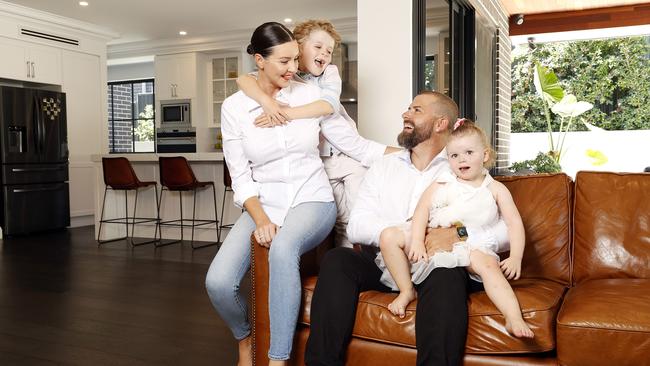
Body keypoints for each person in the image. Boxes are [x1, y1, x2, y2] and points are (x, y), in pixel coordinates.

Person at [205, 22, 386, 366]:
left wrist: (408, 154)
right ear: (259, 60)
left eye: (294, 60)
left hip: (312, 197)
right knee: (218, 281)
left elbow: (354, 145)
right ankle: (244, 338)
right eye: (284, 62)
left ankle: (277, 359)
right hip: (264, 202)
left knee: (284, 248)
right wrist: (260, 219)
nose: (293, 69)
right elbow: (240, 175)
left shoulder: (308, 95)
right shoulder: (234, 108)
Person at [305, 91, 510, 366]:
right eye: (408, 108)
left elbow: (506, 230)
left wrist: (459, 234)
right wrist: (409, 235)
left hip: (436, 265)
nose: (405, 114)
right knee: (337, 260)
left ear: (440, 124)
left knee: (447, 274)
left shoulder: (462, 167)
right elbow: (358, 226)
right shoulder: (383, 167)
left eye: (416, 110)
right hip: (384, 259)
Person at [237, 19, 398, 248]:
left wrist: (284, 113)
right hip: (322, 164)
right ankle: (345, 269)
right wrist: (266, 101)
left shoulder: (329, 73)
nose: (325, 54)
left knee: (361, 217)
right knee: (341, 223)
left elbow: (328, 105)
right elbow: (243, 79)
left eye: (329, 51)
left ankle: (373, 264)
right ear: (297, 47)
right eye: (319, 47)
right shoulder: (284, 75)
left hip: (348, 157)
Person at [376, 119, 534, 338]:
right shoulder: (442, 182)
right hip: (433, 236)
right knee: (388, 236)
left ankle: (513, 317)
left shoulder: (495, 189)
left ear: (485, 155)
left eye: (469, 152)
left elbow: (514, 223)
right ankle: (406, 290)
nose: (462, 159)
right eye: (454, 155)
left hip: (471, 243)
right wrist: (418, 241)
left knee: (490, 267)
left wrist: (516, 257)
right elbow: (422, 210)